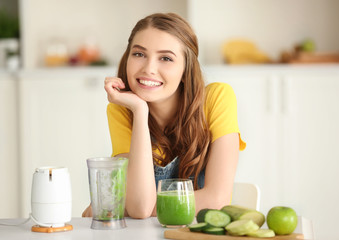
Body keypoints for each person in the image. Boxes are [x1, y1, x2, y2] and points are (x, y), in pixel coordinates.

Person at [82, 12, 246, 219]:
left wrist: (128, 205)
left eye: (166, 58)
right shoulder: (123, 109)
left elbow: (216, 200)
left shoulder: (217, 98)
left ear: (186, 69)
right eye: (139, 54)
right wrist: (140, 111)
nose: (149, 68)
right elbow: (140, 207)